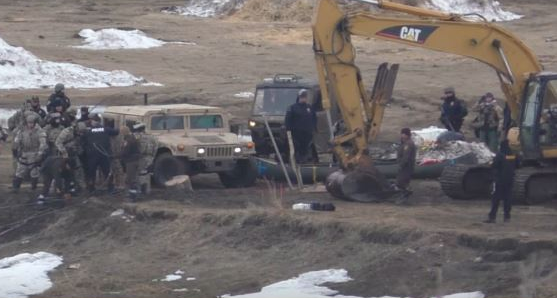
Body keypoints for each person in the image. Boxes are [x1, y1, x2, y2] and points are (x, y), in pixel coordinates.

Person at [82, 114, 119, 193]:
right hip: (104, 154)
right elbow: (116, 132)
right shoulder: (105, 129)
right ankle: (111, 188)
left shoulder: (88, 131)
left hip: (92, 155)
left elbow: (83, 141)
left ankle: (91, 188)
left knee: (91, 172)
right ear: (99, 121)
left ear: (93, 121)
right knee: (107, 171)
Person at [484, 140, 518, 223]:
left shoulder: (500, 155)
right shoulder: (513, 155)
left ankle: (492, 217)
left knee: (496, 199)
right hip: (509, 180)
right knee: (508, 198)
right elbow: (518, 164)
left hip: (499, 180)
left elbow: (494, 165)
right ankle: (507, 217)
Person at [12, 115, 48, 192]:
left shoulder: (39, 131)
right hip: (24, 153)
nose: (30, 124)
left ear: (35, 123)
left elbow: (43, 143)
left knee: (34, 172)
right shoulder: (22, 130)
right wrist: (15, 148)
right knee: (20, 171)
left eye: (32, 123)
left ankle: (33, 188)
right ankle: (15, 188)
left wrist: (40, 154)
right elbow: (17, 140)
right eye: (29, 123)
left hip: (34, 154)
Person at [284, 89, 317, 163]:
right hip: (296, 134)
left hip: (307, 134)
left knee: (306, 149)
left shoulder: (310, 108)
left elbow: (314, 118)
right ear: (299, 97)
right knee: (296, 149)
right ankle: (295, 161)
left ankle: (305, 160)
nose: (304, 98)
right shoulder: (293, 108)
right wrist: (288, 130)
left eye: (305, 97)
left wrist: (314, 128)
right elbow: (288, 120)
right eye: (302, 97)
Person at [56, 122, 88, 193]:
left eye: (82, 132)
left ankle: (79, 186)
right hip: (64, 154)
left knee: (78, 169)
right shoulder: (66, 132)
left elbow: (79, 144)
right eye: (80, 132)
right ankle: (61, 187)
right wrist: (64, 153)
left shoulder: (80, 135)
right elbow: (58, 143)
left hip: (74, 154)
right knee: (64, 171)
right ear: (76, 129)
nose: (81, 134)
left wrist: (80, 151)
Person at [132, 123, 158, 195]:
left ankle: (140, 190)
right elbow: (156, 147)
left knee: (140, 174)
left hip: (141, 157)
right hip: (150, 157)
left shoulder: (137, 136)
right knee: (148, 174)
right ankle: (147, 190)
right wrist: (153, 157)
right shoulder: (152, 136)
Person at [394, 128, 417, 204]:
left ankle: (406, 194)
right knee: (400, 182)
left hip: (407, 166)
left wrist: (401, 165)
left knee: (402, 182)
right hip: (404, 165)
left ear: (407, 135)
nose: (402, 135)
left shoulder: (409, 144)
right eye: (402, 134)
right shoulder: (404, 143)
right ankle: (403, 196)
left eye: (404, 134)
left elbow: (406, 157)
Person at [120, 129, 141, 201]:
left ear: (123, 133)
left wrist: (117, 156)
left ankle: (133, 197)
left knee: (130, 179)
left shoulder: (128, 140)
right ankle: (137, 194)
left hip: (131, 161)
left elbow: (125, 152)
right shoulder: (134, 138)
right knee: (135, 178)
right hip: (136, 160)